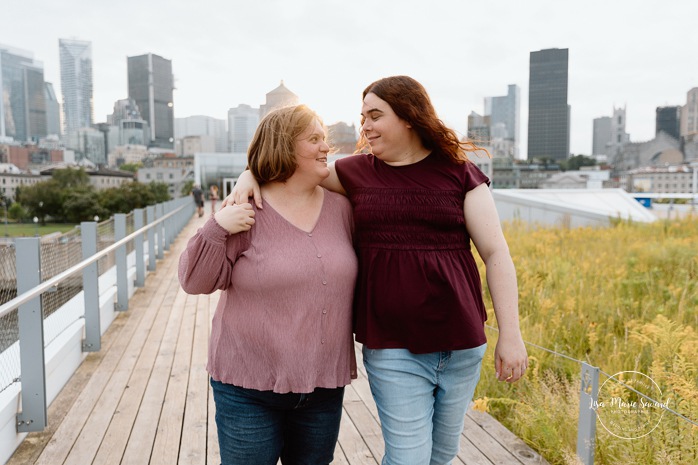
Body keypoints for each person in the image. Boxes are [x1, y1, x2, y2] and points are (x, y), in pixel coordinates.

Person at [226, 76, 528, 465]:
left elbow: (496, 253)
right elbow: (289, 169)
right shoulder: (354, 173)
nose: (364, 126)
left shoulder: (461, 174)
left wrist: (511, 335)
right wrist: (247, 175)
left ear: (408, 117)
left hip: (462, 344)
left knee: (442, 455)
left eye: (375, 115)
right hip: (393, 346)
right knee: (408, 459)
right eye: (362, 116)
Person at [179, 104, 358, 465]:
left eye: (324, 139)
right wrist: (216, 227)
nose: (326, 147)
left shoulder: (344, 209)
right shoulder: (246, 210)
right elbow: (194, 281)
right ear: (284, 147)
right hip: (247, 387)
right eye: (314, 139)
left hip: (322, 386)